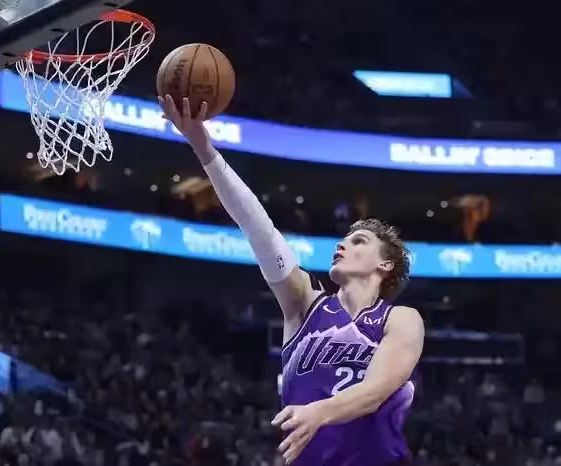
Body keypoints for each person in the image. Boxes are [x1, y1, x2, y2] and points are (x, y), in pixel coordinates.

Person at [158, 95, 425, 466]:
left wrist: (319, 412)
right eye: (344, 239)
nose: (342, 245)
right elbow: (259, 229)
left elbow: (376, 391)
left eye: (359, 241)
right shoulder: (304, 304)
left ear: (385, 265)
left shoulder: (401, 319)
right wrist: (204, 150)